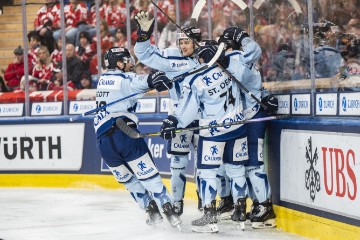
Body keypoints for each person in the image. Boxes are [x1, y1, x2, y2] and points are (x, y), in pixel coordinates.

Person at [159, 40, 252, 233]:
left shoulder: (196, 79)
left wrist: (174, 121)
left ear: (201, 58)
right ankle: (240, 212)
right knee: (236, 169)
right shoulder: (229, 68)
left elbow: (188, 109)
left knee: (207, 172)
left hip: (213, 133)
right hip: (238, 127)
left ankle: (210, 216)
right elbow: (247, 75)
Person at [93, 46, 181, 228]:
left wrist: (150, 80)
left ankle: (151, 210)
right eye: (127, 61)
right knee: (149, 176)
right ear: (119, 63)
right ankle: (169, 210)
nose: (131, 64)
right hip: (125, 133)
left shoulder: (102, 79)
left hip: (103, 142)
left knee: (129, 181)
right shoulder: (126, 79)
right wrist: (155, 78)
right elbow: (143, 82)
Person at [134, 10, 204, 215]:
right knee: (178, 164)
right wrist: (144, 36)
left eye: (187, 42)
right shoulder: (172, 57)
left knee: (206, 165)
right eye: (180, 42)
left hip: (203, 119)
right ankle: (176, 204)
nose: (182, 46)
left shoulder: (208, 57)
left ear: (197, 42)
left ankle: (206, 202)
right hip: (178, 119)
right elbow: (145, 54)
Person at [217, 27, 278, 229]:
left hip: (251, 118)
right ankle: (259, 204)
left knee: (253, 163)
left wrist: (242, 38)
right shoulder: (240, 57)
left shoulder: (235, 57)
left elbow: (251, 56)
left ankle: (265, 206)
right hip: (247, 118)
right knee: (245, 165)